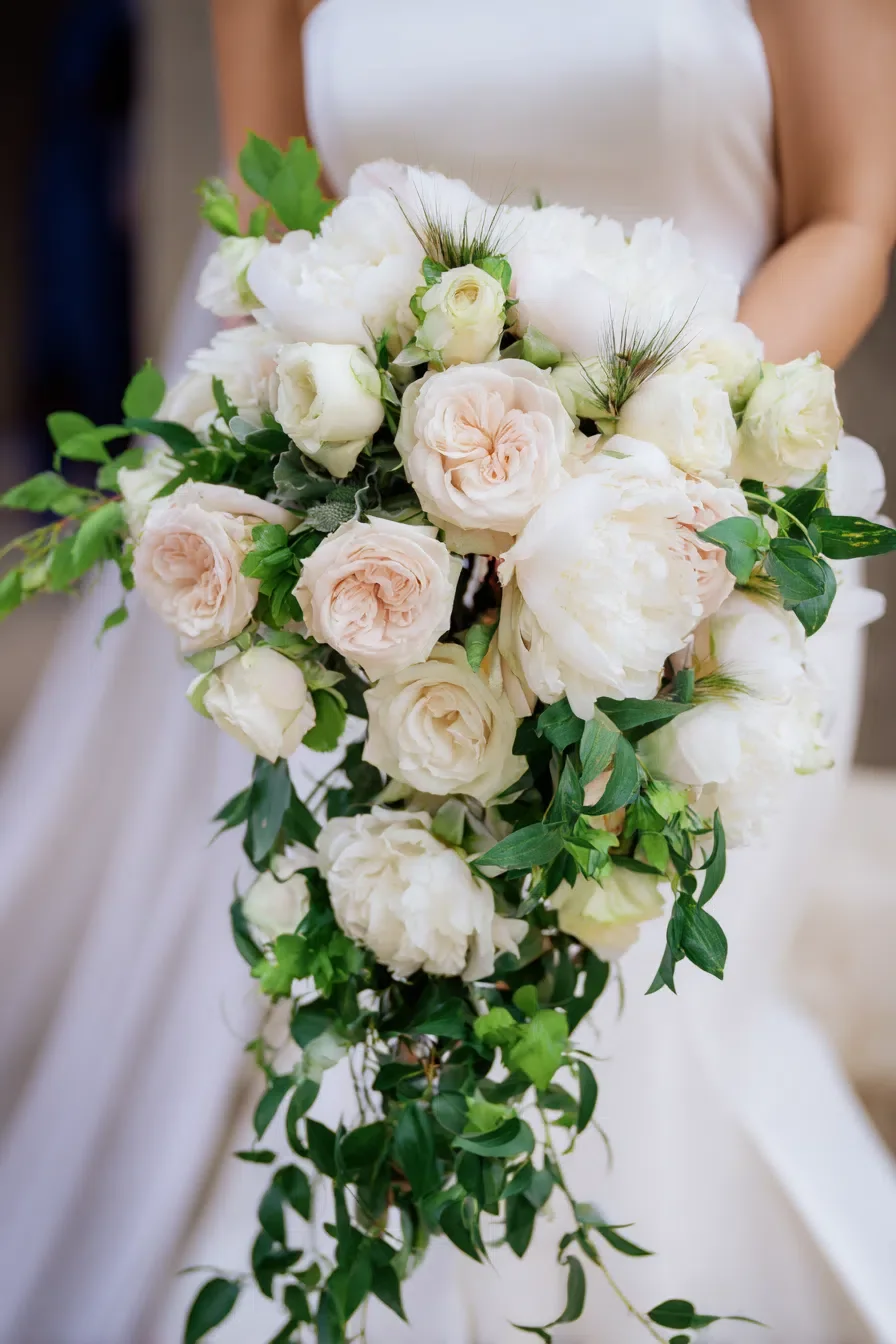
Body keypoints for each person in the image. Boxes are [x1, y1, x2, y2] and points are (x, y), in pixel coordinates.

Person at [2, 3, 896, 1343]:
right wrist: (352, 491)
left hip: (710, 545)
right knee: (383, 1020)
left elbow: (848, 213)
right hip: (374, 548)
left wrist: (645, 464)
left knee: (636, 1033)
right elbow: (268, 198)